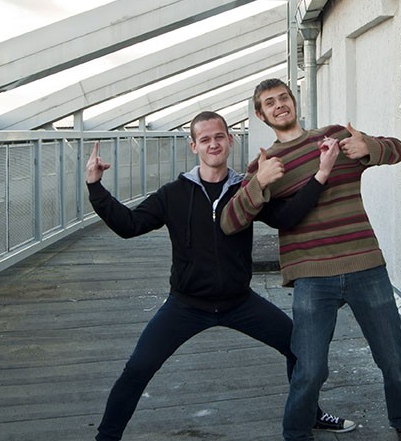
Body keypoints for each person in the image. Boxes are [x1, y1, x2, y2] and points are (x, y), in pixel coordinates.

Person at [86, 110, 356, 440]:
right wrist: (95, 186)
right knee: (138, 368)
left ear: (230, 140)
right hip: (186, 305)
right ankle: (106, 437)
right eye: (205, 139)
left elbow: (288, 217)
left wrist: (321, 174)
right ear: (194, 146)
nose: (213, 144)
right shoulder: (173, 194)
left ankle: (309, 414)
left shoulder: (247, 188)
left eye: (218, 137)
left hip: (239, 303)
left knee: (299, 349)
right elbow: (129, 225)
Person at [222, 80, 401, 441]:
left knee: (394, 358)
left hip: (365, 266)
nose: (279, 105)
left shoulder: (335, 137)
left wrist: (370, 147)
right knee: (310, 368)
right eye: (270, 102)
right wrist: (259, 183)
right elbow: (230, 221)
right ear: (261, 115)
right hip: (313, 277)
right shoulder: (265, 165)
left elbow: (400, 150)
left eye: (283, 97)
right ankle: (297, 433)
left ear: (294, 101)